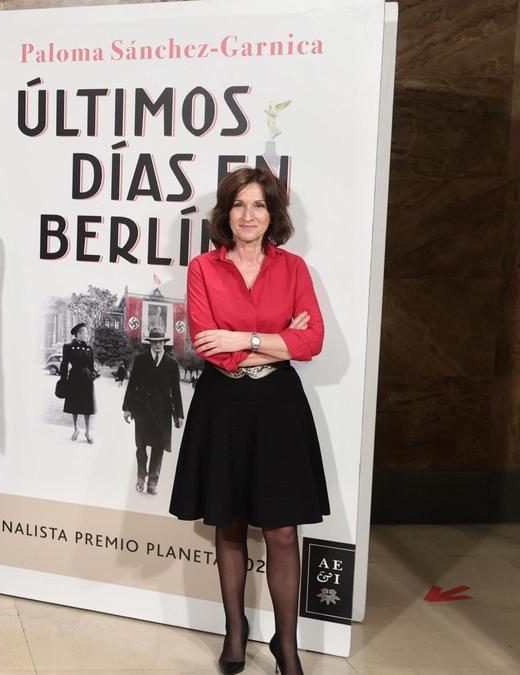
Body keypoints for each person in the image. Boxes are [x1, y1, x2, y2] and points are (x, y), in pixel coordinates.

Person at [168, 166, 328, 675]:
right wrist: (277, 343)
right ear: (225, 213)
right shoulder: (202, 269)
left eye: (258, 205)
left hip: (279, 407)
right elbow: (206, 346)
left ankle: (288, 644)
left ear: (273, 214)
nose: (248, 215)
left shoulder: (295, 269)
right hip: (223, 406)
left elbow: (313, 341)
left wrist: (243, 339)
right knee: (230, 522)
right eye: (239, 205)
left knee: (282, 532)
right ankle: (234, 632)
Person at [122, 328, 184, 495]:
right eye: (154, 342)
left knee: (158, 448)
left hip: (162, 412)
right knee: (141, 447)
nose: (157, 345)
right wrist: (127, 408)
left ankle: (153, 482)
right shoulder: (140, 360)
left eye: (160, 342)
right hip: (141, 409)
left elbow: (176, 391)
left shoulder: (172, 364)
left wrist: (178, 414)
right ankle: (141, 477)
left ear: (165, 342)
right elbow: (132, 384)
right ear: (150, 343)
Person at [58, 323, 97, 442]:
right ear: (78, 334)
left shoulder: (89, 349)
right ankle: (75, 429)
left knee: (87, 407)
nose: (87, 335)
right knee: (74, 406)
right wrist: (63, 380)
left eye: (87, 333)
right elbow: (64, 365)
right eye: (85, 332)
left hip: (87, 380)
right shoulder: (68, 347)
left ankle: (87, 432)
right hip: (74, 379)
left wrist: (93, 375)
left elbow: (91, 367)